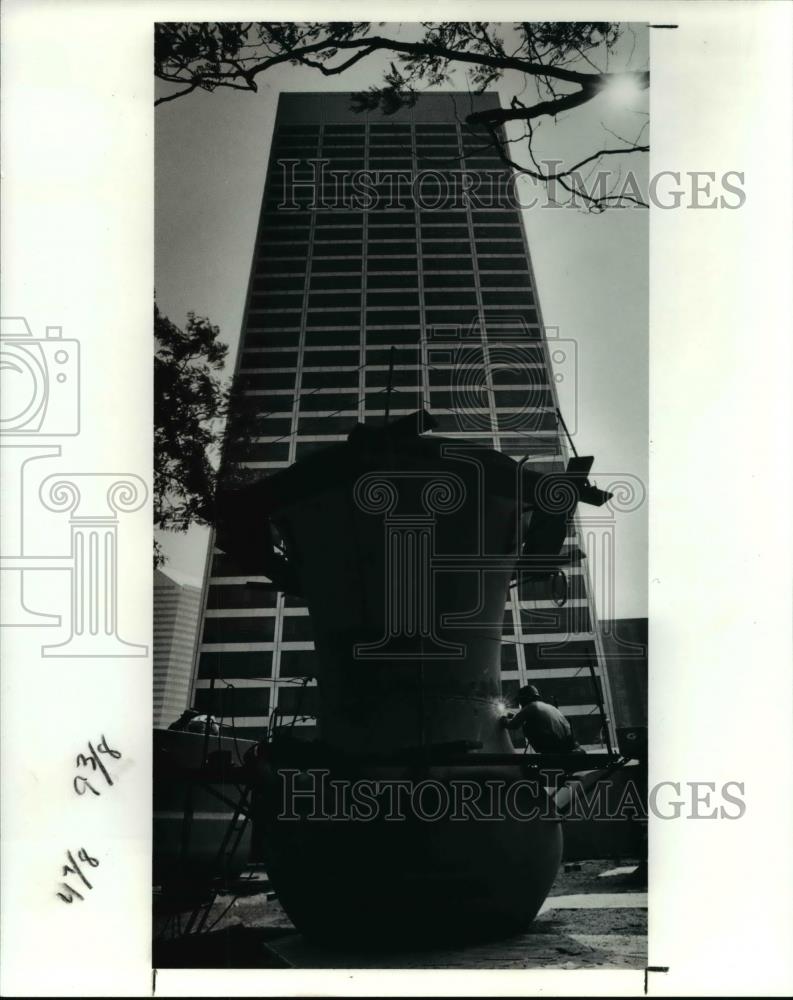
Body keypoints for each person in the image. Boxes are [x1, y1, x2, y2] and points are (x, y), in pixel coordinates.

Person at [501, 685, 585, 754]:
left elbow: (513, 725)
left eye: (521, 701)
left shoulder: (531, 707)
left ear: (525, 699)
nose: (520, 704)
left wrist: (503, 718)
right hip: (570, 748)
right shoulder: (549, 707)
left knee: (527, 726)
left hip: (555, 751)